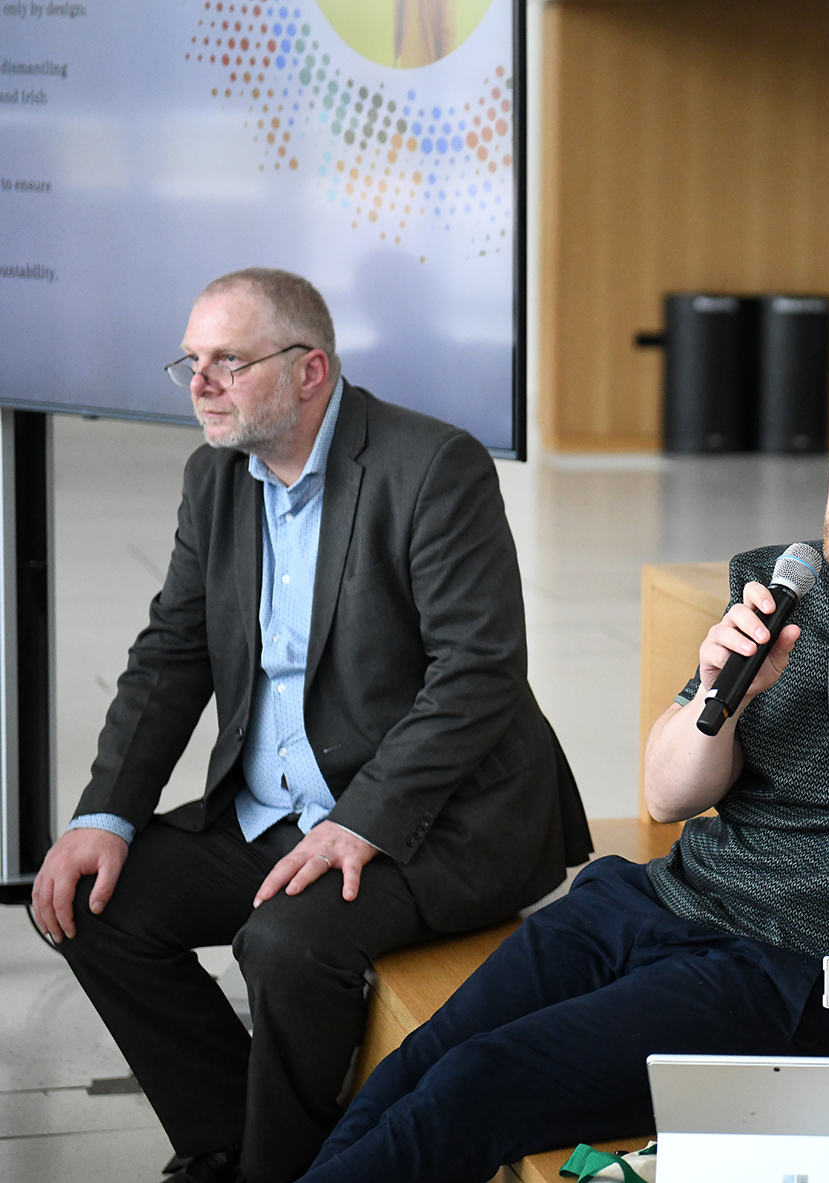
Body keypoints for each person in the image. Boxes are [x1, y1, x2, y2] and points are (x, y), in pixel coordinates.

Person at [294, 371, 829, 1183]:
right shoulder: (782, 589)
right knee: (424, 1058)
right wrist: (721, 698)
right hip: (651, 901)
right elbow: (666, 795)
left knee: (479, 1082)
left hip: (794, 977)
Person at [28, 268, 591, 1183]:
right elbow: (172, 653)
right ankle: (234, 1144)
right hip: (278, 812)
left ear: (310, 371)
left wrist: (361, 819)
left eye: (228, 361)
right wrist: (106, 814)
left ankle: (280, 1168)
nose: (200, 383)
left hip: (433, 822)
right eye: (191, 361)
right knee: (89, 903)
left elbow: (479, 674)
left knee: (287, 945)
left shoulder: (432, 465)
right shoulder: (216, 476)